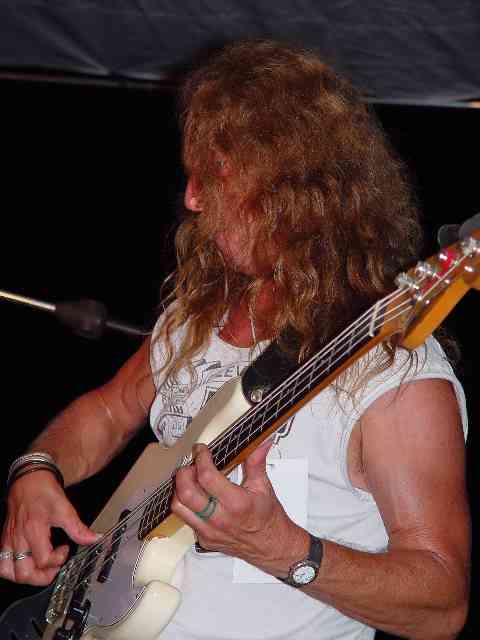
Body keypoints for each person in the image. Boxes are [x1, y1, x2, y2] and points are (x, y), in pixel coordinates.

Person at [0, 41, 470, 640]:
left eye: (213, 174)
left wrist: (283, 548)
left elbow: (441, 602)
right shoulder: (199, 314)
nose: (192, 197)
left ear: (290, 189)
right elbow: (110, 410)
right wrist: (36, 470)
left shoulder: (392, 369)